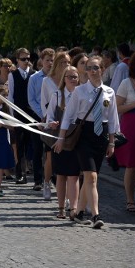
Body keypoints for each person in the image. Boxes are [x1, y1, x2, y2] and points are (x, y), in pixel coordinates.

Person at [59, 56, 120, 228]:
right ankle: (95, 215)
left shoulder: (110, 92)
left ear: (102, 69)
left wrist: (112, 142)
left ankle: (78, 212)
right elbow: (68, 115)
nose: (93, 71)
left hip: (101, 136)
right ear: (85, 71)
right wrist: (61, 138)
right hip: (84, 134)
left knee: (90, 178)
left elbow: (113, 119)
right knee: (91, 177)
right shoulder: (80, 91)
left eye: (96, 68)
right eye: (89, 68)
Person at [114, 49, 135, 213]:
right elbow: (117, 107)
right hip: (132, 125)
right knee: (131, 164)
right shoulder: (126, 83)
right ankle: (130, 200)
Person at [48, 66, 81, 219]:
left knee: (74, 175)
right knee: (61, 175)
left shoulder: (82, 94)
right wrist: (52, 123)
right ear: (64, 79)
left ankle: (73, 208)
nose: (73, 79)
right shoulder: (57, 95)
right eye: (70, 77)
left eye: (75, 77)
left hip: (76, 139)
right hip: (60, 138)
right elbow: (48, 117)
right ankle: (61, 208)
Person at [27, 48, 55, 199]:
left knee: (51, 150)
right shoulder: (35, 78)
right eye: (47, 60)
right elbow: (31, 99)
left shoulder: (58, 77)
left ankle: (53, 178)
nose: (50, 63)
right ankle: (38, 180)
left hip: (53, 119)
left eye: (52, 60)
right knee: (38, 149)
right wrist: (42, 115)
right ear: (41, 61)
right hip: (38, 117)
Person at [7, 48, 36, 187]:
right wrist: (12, 116)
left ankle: (36, 174)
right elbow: (11, 96)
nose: (27, 61)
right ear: (17, 60)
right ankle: (20, 173)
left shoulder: (34, 74)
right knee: (20, 145)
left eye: (28, 59)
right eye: (23, 59)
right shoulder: (13, 75)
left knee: (34, 144)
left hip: (32, 114)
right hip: (19, 113)